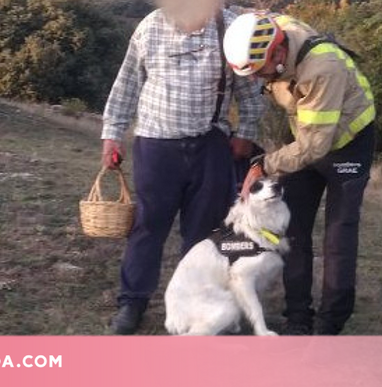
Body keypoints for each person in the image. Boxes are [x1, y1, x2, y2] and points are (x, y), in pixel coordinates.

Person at [101, 0, 264, 335]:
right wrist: (111, 136)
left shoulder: (232, 29)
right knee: (148, 226)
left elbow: (250, 93)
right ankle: (132, 302)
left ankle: (199, 303)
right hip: (156, 145)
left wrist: (246, 135)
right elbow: (127, 83)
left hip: (210, 146)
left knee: (204, 235)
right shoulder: (150, 26)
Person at [224, 12, 376, 335]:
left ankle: (330, 323)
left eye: (259, 71)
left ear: (278, 52)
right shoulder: (271, 30)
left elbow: (313, 148)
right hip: (310, 134)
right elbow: (253, 18)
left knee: (339, 234)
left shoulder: (323, 68)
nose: (255, 79)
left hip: (348, 143)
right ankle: (297, 318)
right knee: (292, 226)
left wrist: (263, 164)